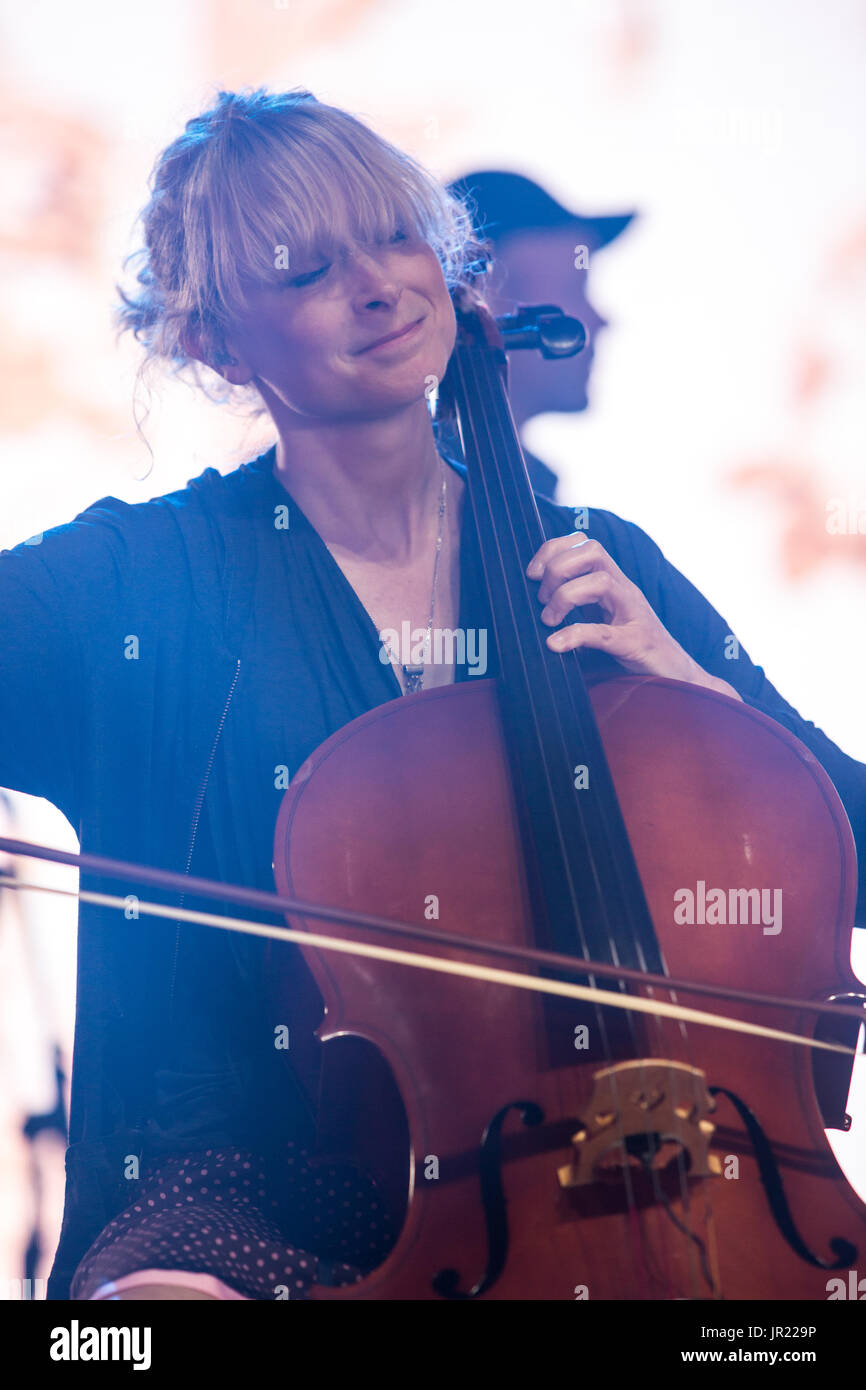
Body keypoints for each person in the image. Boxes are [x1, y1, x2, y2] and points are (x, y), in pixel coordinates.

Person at [1, 86, 864, 1302]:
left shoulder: (592, 557)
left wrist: (689, 690)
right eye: (306, 267)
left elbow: (853, 850)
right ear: (216, 342)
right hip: (246, 1203)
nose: (377, 285)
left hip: (673, 1182)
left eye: (394, 237)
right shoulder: (139, 584)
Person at [448, 170, 635, 498]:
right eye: (577, 288)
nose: (600, 320)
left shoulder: (535, 488)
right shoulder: (430, 486)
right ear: (480, 297)